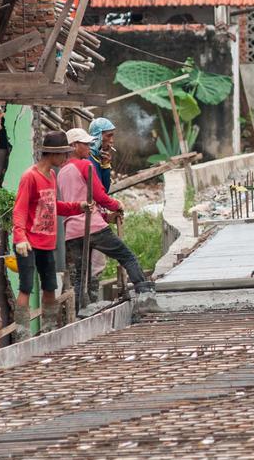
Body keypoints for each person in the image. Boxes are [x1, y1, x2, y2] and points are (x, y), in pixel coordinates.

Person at [60, 128, 155, 308]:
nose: (89, 147)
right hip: (93, 227)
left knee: (82, 274)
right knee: (127, 257)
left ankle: (83, 311)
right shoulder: (85, 165)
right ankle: (146, 296)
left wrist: (105, 215)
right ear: (73, 146)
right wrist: (117, 205)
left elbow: (75, 201)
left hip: (72, 231)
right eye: (85, 144)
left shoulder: (62, 172)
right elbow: (99, 195)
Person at [12, 131, 88, 339]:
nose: (65, 158)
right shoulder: (30, 176)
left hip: (47, 242)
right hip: (27, 242)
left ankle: (48, 330)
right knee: (26, 287)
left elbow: (53, 206)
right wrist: (20, 237)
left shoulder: (52, 176)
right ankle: (23, 334)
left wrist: (78, 207)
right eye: (63, 154)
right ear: (52, 154)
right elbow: (19, 209)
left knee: (50, 287)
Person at [88, 117, 116, 192]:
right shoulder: (87, 159)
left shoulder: (98, 158)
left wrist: (106, 165)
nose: (112, 141)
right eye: (109, 136)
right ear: (98, 135)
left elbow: (105, 190)